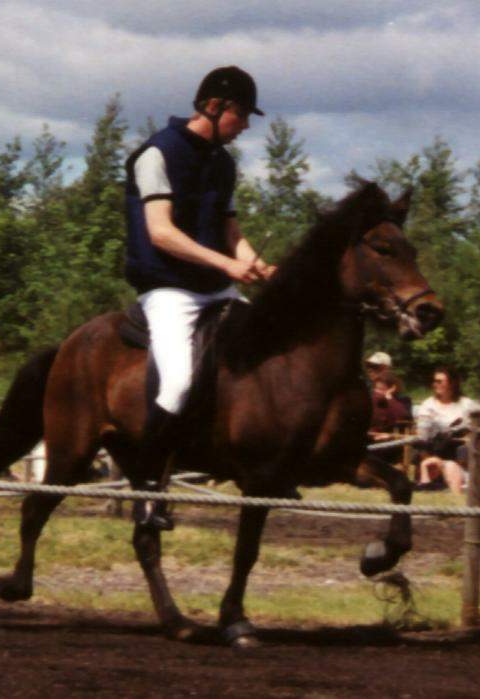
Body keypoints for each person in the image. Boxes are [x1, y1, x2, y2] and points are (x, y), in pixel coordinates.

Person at [124, 66, 274, 529]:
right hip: (169, 289)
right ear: (213, 107)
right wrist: (228, 265)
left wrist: (258, 265)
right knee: (179, 384)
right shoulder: (156, 154)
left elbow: (230, 231)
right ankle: (147, 491)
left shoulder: (222, 162)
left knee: (271, 352)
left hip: (215, 287)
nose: (245, 126)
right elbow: (162, 233)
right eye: (241, 116)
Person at [415, 367, 474, 493]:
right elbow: (422, 440)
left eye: (439, 381)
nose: (435, 384)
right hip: (436, 453)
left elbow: (476, 429)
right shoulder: (428, 406)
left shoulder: (467, 404)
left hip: (465, 454)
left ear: (452, 383)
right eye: (434, 381)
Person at [368, 369, 411, 465]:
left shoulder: (402, 401)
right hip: (370, 440)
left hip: (391, 443)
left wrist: (389, 398)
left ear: (392, 389)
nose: (377, 392)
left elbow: (404, 417)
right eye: (376, 389)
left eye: (381, 389)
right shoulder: (371, 402)